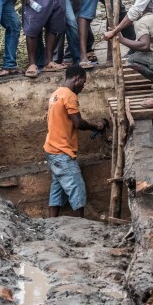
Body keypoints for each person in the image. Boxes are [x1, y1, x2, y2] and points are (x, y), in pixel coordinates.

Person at [44, 65, 108, 218]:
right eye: (83, 83)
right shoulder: (70, 96)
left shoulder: (56, 94)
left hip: (51, 149)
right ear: (77, 78)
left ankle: (52, 222)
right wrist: (96, 125)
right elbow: (78, 123)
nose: (83, 87)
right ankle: (81, 225)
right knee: (77, 189)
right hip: (62, 152)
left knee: (57, 187)